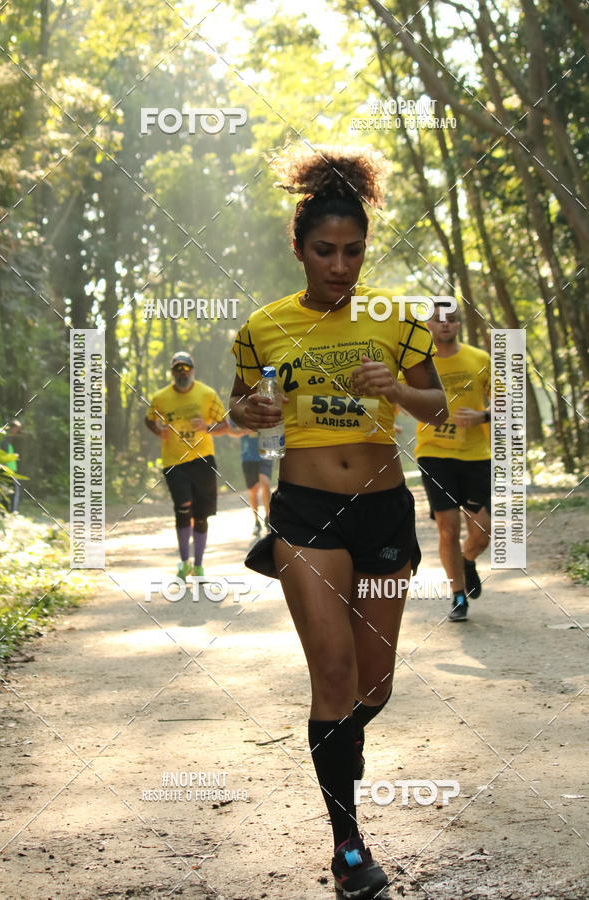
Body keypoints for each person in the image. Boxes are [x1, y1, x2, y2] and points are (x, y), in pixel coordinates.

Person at [228, 145, 448, 899]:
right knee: (332, 677)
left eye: (354, 251)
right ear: (298, 248)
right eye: (325, 250)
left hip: (384, 507)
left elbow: (438, 405)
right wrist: (249, 411)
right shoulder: (265, 326)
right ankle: (348, 846)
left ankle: (343, 742)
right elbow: (244, 407)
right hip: (307, 512)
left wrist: (399, 388)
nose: (340, 265)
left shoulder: (396, 317)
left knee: (373, 688)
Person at [415, 301, 491, 622]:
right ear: (428, 325)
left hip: (477, 455)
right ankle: (458, 596)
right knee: (448, 528)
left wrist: (482, 415)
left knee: (483, 531)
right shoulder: (418, 364)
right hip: (434, 454)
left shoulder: (479, 359)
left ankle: (467, 559)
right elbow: (400, 401)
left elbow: (510, 403)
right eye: (438, 319)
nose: (445, 324)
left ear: (458, 325)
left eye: (451, 319)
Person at [145, 352, 231, 578]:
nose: (182, 373)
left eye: (186, 369)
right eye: (178, 369)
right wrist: (158, 431)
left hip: (202, 459)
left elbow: (225, 425)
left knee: (201, 515)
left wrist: (206, 427)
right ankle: (184, 563)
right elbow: (149, 419)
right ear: (172, 372)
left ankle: (199, 565)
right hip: (175, 461)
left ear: (193, 370)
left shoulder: (207, 394)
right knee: (183, 508)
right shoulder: (161, 398)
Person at [240, 433, 273, 536]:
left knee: (265, 482)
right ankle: (256, 522)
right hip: (248, 458)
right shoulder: (239, 417)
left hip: (265, 454)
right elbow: (231, 430)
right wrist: (245, 429)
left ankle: (268, 518)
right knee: (253, 491)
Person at [0, 420, 22, 514]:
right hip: (6, 470)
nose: (16, 431)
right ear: (12, 428)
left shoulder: (8, 440)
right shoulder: (4, 439)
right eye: (16, 429)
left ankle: (8, 511)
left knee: (9, 490)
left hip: (11, 469)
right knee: (11, 490)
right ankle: (12, 511)